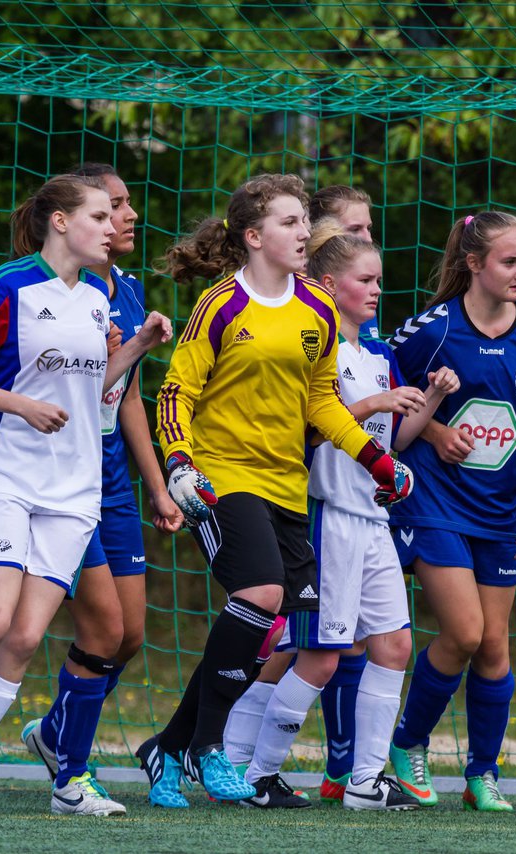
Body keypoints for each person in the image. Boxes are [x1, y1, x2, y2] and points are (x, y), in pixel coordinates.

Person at [0, 174, 171, 815]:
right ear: (61, 222)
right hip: (7, 475)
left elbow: (97, 389)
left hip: (76, 490)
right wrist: (20, 405)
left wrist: (137, 349)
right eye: (100, 214)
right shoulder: (7, 284)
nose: (114, 224)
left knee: (23, 638)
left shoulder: (102, 297)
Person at [137, 173, 413, 808]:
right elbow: (177, 390)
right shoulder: (219, 305)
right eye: (290, 223)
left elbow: (322, 401)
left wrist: (377, 460)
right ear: (254, 237)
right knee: (258, 594)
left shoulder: (315, 306)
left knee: (261, 620)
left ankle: (168, 744)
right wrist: (179, 465)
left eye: (303, 222)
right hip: (219, 478)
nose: (303, 233)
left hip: (286, 485)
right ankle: (209, 747)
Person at [232, 223, 458, 810]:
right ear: (329, 284)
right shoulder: (314, 346)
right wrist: (374, 403)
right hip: (327, 518)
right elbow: (303, 428)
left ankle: (365, 780)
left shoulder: (380, 355)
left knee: (394, 646)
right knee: (322, 656)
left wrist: (425, 400)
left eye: (379, 279)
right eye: (366, 279)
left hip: (373, 521)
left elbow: (395, 438)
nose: (378, 289)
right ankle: (255, 772)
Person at [19, 163, 184, 812]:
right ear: (79, 216)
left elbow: (130, 395)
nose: (129, 215)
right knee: (100, 628)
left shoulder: (130, 287)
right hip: (62, 476)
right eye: (115, 205)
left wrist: (159, 483)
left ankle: (56, 733)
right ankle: (68, 768)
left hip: (113, 474)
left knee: (132, 635)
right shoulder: (59, 289)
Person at [384, 211, 516, 812]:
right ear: (473, 264)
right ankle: (407, 744)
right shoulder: (429, 330)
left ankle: (483, 773)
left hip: (501, 510)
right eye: (509, 261)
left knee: (495, 647)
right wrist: (433, 436)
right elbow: (388, 409)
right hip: (435, 503)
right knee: (464, 632)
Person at [223, 184, 380, 803]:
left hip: (340, 508)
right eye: (355, 233)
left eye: (369, 232)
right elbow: (312, 418)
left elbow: (331, 412)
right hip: (300, 504)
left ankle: (350, 774)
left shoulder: (360, 344)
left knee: (345, 646)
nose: (367, 243)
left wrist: (385, 457)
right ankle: (234, 760)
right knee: (296, 645)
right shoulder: (267, 317)